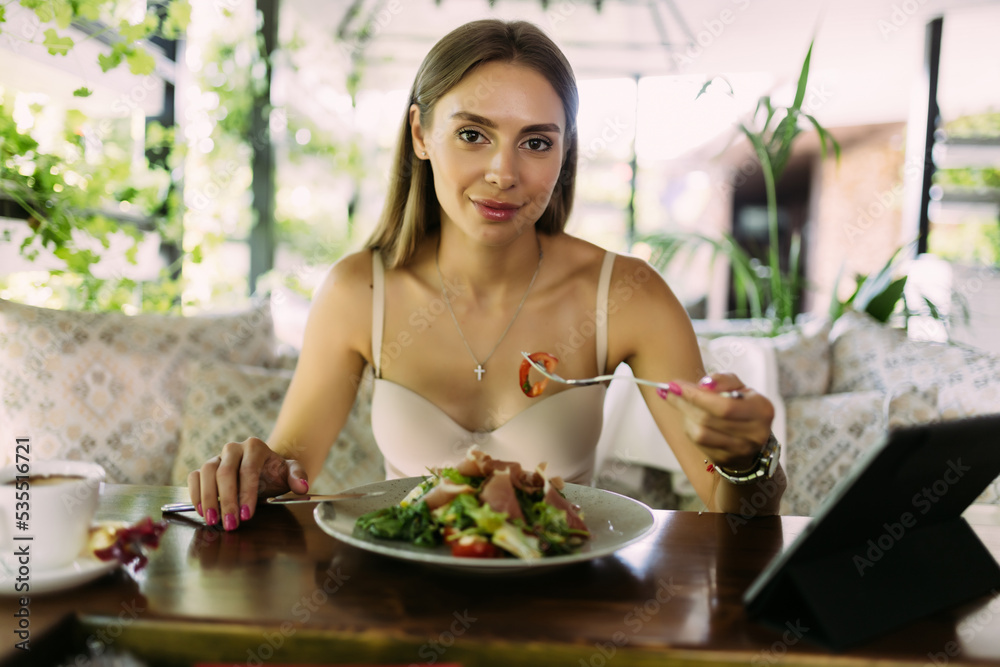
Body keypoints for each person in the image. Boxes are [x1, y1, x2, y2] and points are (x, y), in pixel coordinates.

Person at [188, 19, 784, 532]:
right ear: (421, 134)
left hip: (561, 616)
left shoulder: (627, 296)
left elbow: (738, 519)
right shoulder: (358, 292)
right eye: (473, 135)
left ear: (565, 151)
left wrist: (747, 457)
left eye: (536, 142)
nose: (504, 172)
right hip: (403, 610)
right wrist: (255, 474)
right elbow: (290, 474)